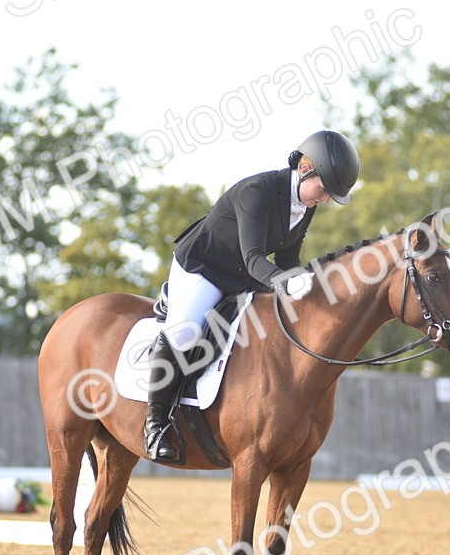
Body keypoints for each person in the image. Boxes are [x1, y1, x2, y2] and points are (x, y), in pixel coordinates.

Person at [144, 130, 361, 462]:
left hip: (243, 276)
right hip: (203, 268)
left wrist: (302, 283)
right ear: (305, 169)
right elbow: (255, 258)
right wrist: (283, 283)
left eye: (331, 195)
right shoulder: (256, 193)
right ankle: (155, 424)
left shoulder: (305, 203)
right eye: (325, 190)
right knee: (185, 333)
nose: (325, 199)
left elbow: (287, 258)